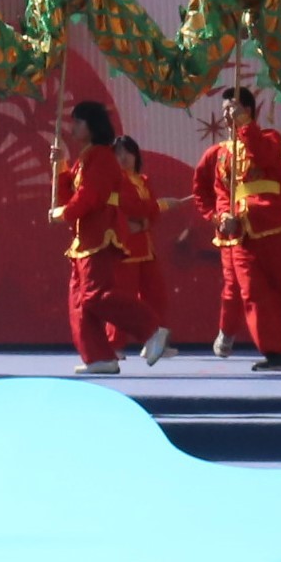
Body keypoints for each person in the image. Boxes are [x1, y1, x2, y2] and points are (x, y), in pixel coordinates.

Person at [192, 88, 281, 371]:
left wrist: (246, 126)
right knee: (254, 295)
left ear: (247, 110)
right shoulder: (218, 155)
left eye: (233, 109)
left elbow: (265, 156)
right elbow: (213, 193)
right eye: (225, 110)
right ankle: (276, 354)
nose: (227, 115)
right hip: (241, 233)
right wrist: (221, 216)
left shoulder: (269, 138)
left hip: (275, 226)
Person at [49, 100, 170, 374]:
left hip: (100, 233)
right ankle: (98, 357)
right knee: (80, 302)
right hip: (84, 237)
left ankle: (151, 329)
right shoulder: (85, 159)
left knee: (96, 296)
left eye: (78, 121)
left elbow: (90, 196)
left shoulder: (102, 157)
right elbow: (70, 196)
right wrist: (61, 168)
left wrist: (64, 213)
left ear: (92, 126)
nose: (72, 126)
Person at [189, 136, 251, 357]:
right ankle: (227, 330)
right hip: (231, 232)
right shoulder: (216, 153)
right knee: (233, 287)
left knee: (267, 287)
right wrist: (217, 217)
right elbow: (201, 190)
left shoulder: (263, 146)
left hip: (262, 229)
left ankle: (278, 344)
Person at [114, 137, 172, 357]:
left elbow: (151, 213)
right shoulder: (115, 182)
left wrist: (144, 220)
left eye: (128, 152)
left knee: (156, 296)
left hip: (146, 248)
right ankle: (113, 345)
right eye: (118, 153)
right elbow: (131, 206)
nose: (124, 157)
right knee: (123, 298)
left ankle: (154, 342)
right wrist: (153, 208)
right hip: (125, 248)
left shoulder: (143, 181)